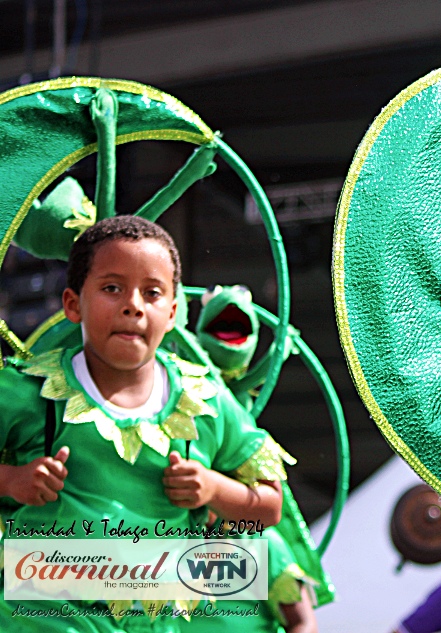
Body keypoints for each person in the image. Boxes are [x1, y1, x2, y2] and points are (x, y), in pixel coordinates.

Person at [0, 215, 292, 633]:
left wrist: (212, 488)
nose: (133, 304)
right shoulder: (25, 391)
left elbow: (269, 507)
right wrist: (11, 480)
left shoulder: (206, 400)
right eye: (112, 287)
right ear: (72, 304)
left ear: (172, 312)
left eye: (152, 293)